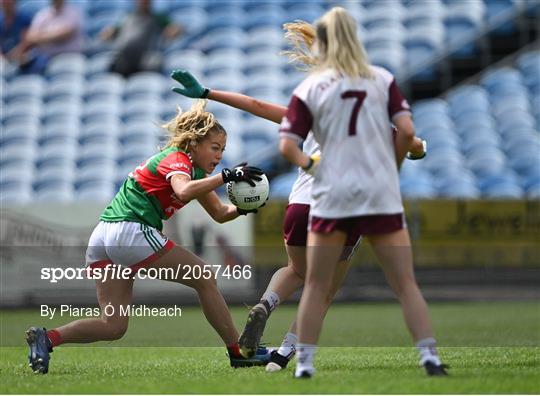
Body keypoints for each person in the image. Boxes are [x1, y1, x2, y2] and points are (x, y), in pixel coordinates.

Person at [169, 20, 434, 375]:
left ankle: (266, 303)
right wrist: (418, 149)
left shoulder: (312, 105)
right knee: (322, 289)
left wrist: (206, 92)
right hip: (344, 208)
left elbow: (257, 105)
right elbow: (411, 143)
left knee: (295, 269)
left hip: (300, 205)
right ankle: (284, 356)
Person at [25, 100, 271, 374]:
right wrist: (227, 176)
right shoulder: (177, 160)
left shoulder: (195, 173)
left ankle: (46, 339)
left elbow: (220, 213)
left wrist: (245, 207)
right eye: (215, 148)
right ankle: (238, 351)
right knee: (204, 276)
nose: (219, 156)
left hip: (105, 235)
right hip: (130, 231)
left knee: (113, 326)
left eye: (223, 150)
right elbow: (184, 191)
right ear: (193, 144)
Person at [277, 7, 447, 378]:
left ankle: (303, 364)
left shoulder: (311, 87)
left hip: (332, 192)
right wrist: (395, 166)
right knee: (404, 283)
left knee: (317, 285)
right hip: (377, 192)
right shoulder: (381, 79)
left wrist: (311, 167)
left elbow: (287, 147)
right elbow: (406, 132)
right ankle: (429, 357)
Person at [100, 0, 182, 78]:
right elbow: (112, 32)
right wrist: (108, 33)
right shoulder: (128, 17)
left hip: (145, 58)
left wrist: (172, 30)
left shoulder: (158, 17)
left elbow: (174, 28)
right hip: (124, 57)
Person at [17, 0, 83, 74]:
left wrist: (42, 35)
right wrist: (53, 35)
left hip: (70, 57)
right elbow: (30, 37)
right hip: (46, 58)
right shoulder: (42, 15)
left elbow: (64, 35)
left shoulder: (73, 13)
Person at [0, 0, 32, 67]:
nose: (6, 7)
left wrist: (11, 55)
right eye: (4, 4)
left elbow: (26, 41)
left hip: (23, 57)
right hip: (5, 59)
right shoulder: (1, 20)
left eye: (8, 3)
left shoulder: (24, 17)